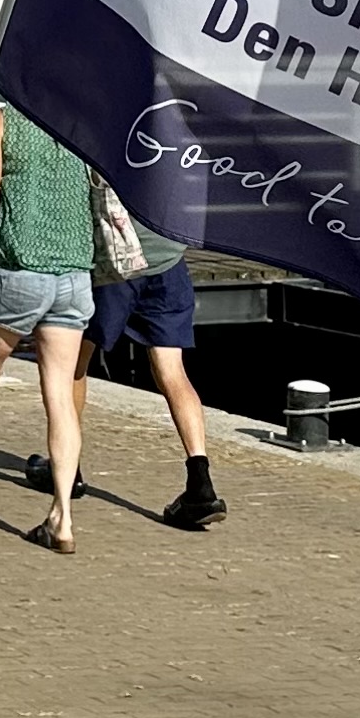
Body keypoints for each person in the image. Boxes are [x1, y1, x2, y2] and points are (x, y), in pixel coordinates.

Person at [0, 101, 97, 552]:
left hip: (15, 275)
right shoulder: (81, 122)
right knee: (61, 395)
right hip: (73, 277)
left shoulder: (1, 121)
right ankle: (62, 518)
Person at [73, 194, 227, 532]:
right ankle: (200, 481)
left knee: (74, 366)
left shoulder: (105, 141)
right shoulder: (167, 143)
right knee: (174, 373)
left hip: (117, 263)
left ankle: (68, 468)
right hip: (168, 260)